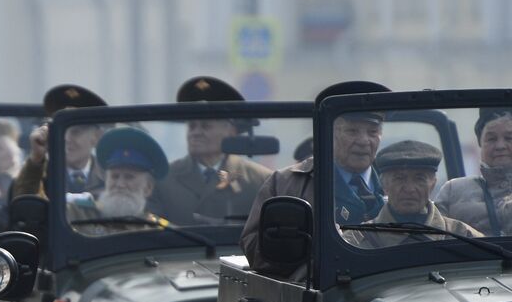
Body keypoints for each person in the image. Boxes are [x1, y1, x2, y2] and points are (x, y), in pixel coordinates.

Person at [240, 80, 390, 274]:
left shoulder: (399, 182)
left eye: (373, 131)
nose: (363, 141)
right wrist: (301, 248)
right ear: (329, 132)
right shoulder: (288, 184)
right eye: (352, 131)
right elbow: (253, 246)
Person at [151, 76, 272, 225]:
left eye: (206, 126)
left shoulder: (260, 181)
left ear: (231, 131)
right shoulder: (163, 180)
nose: (196, 133)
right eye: (192, 126)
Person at [345, 140, 481, 248]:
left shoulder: (464, 237)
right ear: (384, 185)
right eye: (399, 178)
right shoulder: (356, 242)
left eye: (419, 179)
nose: (409, 188)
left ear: (433, 184)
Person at [11, 83, 109, 200]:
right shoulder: (39, 172)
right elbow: (21, 203)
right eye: (60, 131)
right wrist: (36, 159)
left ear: (96, 137)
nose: (66, 138)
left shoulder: (111, 175)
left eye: (76, 132)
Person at [65, 127, 169, 235]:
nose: (120, 184)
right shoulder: (79, 214)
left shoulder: (159, 232)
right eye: (115, 176)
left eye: (129, 177)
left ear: (148, 188)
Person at [432, 106, 512, 236]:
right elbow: (434, 239)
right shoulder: (453, 191)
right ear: (480, 143)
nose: (500, 146)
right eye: (491, 139)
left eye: (509, 138)